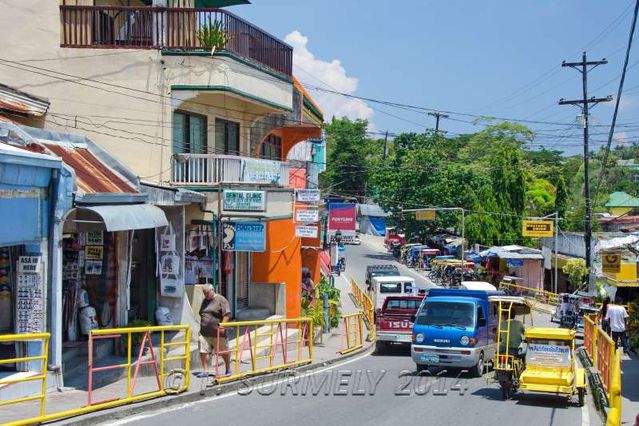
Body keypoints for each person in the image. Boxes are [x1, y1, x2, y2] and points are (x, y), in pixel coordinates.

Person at [198, 284, 232, 377]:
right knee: (203, 351)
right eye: (204, 293)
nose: (206, 295)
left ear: (212, 290)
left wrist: (222, 326)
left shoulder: (221, 299)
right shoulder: (204, 301)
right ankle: (205, 371)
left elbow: (227, 314)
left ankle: (228, 369)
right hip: (205, 332)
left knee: (224, 351)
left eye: (207, 293)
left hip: (218, 333)